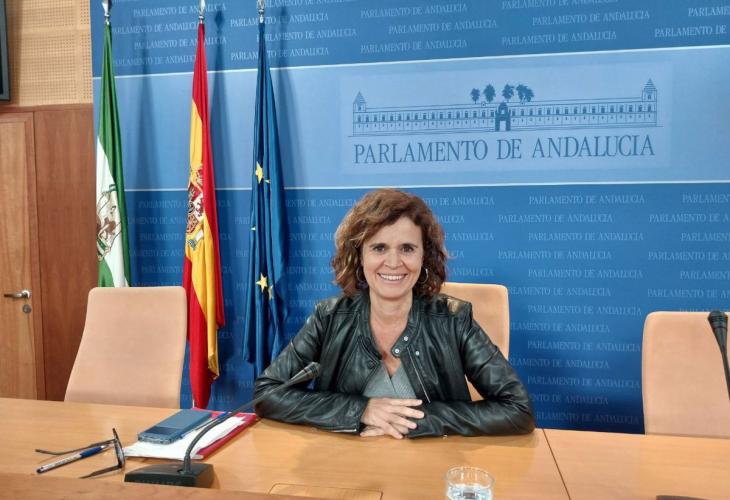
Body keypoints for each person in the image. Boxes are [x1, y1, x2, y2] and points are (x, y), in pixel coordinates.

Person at [254, 189, 535, 438]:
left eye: (407, 249)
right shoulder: (328, 318)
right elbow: (267, 393)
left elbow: (518, 409)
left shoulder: (454, 320)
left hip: (433, 467)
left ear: (424, 256)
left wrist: (417, 421)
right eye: (379, 248)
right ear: (359, 256)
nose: (393, 262)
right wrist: (360, 411)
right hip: (344, 468)